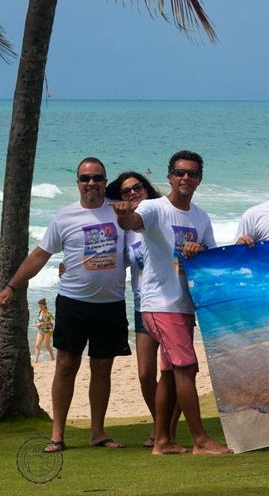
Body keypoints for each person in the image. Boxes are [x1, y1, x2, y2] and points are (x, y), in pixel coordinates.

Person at [0, 157, 130, 453]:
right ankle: (57, 434)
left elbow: (144, 240)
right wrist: (10, 286)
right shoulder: (64, 217)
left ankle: (97, 432)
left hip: (111, 304)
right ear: (78, 183)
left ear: (105, 181)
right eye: (85, 178)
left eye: (97, 178)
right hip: (74, 303)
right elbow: (39, 256)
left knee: (102, 369)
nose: (91, 183)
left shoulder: (119, 213)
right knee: (66, 366)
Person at [112, 150, 231, 455]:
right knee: (186, 368)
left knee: (168, 372)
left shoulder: (201, 216)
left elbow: (210, 257)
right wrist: (123, 214)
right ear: (169, 177)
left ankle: (163, 440)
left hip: (183, 305)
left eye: (192, 173)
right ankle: (201, 440)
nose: (185, 178)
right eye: (180, 172)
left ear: (199, 180)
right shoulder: (154, 208)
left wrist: (199, 247)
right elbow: (133, 222)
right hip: (159, 304)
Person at [105, 171, 180, 447]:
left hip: (174, 304)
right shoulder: (127, 228)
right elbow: (114, 260)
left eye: (137, 187)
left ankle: (166, 431)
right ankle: (160, 424)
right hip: (143, 304)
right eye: (126, 191)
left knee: (174, 370)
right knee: (146, 373)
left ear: (147, 188)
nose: (133, 193)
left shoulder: (163, 214)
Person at [33, 298, 55, 362]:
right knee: (37, 345)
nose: (40, 307)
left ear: (45, 305)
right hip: (40, 330)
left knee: (47, 346)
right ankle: (36, 360)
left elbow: (53, 322)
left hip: (47, 331)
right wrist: (37, 323)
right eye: (39, 306)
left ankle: (52, 357)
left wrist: (43, 323)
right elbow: (38, 320)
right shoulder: (40, 311)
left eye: (41, 306)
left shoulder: (49, 313)